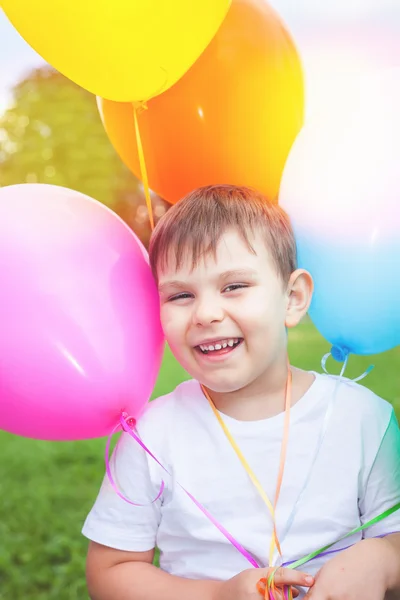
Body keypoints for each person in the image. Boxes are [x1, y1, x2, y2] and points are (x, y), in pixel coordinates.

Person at [82, 185, 400, 600]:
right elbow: (110, 571)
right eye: (180, 295)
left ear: (293, 298)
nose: (207, 314)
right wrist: (217, 595)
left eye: (234, 286)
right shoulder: (151, 435)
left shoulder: (364, 418)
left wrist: (379, 560)